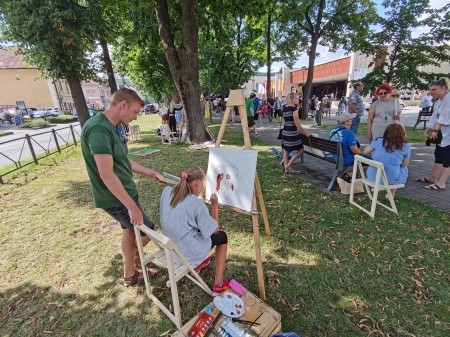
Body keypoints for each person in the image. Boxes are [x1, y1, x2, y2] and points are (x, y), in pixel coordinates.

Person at [81, 88, 165, 287]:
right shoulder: (98, 129)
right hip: (115, 197)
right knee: (148, 230)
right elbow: (106, 174)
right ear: (123, 104)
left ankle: (130, 274)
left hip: (125, 192)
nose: (136, 117)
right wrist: (131, 206)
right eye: (135, 112)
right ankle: (136, 263)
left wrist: (149, 172)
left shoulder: (113, 126)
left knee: (130, 231)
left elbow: (123, 161)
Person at [159, 166, 229, 296]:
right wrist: (214, 207)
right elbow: (214, 230)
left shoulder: (167, 191)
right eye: (201, 184)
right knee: (222, 237)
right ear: (197, 182)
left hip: (171, 247)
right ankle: (218, 284)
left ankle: (199, 263)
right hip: (186, 253)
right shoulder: (196, 203)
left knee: (196, 227)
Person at [416, 77, 450, 190]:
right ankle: (433, 177)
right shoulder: (438, 102)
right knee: (439, 154)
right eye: (430, 90)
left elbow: (446, 116)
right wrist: (428, 129)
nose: (431, 92)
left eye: (434, 89)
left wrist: (436, 130)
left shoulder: (449, 99)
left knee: (447, 158)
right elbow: (435, 117)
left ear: (443, 88)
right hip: (443, 134)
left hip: (447, 133)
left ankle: (442, 182)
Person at [363, 123, 411, 197]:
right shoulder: (405, 146)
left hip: (372, 176)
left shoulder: (379, 141)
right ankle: (391, 194)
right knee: (403, 168)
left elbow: (365, 151)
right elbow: (404, 164)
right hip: (391, 179)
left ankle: (382, 188)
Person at [281, 93, 311, 174]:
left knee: (286, 151)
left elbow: (286, 120)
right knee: (301, 150)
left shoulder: (284, 108)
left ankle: (286, 169)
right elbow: (297, 124)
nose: (298, 100)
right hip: (292, 132)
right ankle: (288, 165)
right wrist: (305, 133)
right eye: (296, 98)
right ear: (292, 99)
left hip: (285, 131)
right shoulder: (294, 110)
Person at [329, 112, 364, 181]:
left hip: (335, 156)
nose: (352, 120)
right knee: (368, 161)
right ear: (346, 122)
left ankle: (346, 174)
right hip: (345, 159)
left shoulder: (333, 130)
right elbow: (354, 150)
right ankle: (347, 175)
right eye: (351, 119)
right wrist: (363, 155)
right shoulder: (349, 133)